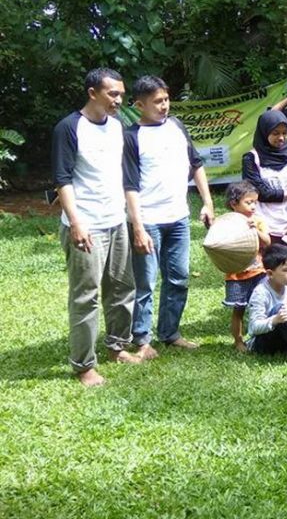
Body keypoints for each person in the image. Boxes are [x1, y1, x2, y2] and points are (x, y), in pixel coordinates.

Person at [52, 68, 140, 386]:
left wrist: (131, 219)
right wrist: (76, 223)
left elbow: (123, 177)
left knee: (121, 286)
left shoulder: (117, 127)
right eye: (112, 93)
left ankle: (117, 346)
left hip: (115, 221)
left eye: (121, 94)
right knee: (85, 296)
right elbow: (62, 179)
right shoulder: (69, 128)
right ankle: (84, 365)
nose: (119, 100)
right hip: (85, 225)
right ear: (93, 93)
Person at [123, 75, 214, 358]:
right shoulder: (131, 137)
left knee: (178, 277)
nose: (164, 106)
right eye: (157, 102)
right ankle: (142, 339)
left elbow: (196, 165)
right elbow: (129, 185)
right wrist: (138, 227)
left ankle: (170, 332)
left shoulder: (176, 126)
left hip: (178, 217)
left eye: (166, 99)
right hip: (147, 219)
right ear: (140, 105)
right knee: (146, 282)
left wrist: (208, 202)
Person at [243, 109, 287, 247]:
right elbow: (260, 193)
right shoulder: (251, 158)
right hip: (262, 223)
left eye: (284, 133)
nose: (281, 138)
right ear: (264, 133)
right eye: (275, 133)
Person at [222, 180, 272, 352]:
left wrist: (255, 231)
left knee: (261, 304)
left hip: (258, 270)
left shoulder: (258, 220)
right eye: (248, 202)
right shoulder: (227, 222)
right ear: (234, 204)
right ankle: (238, 341)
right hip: (236, 274)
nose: (253, 207)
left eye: (255, 202)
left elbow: (267, 242)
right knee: (238, 308)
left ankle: (260, 336)